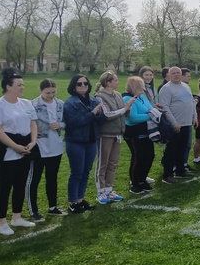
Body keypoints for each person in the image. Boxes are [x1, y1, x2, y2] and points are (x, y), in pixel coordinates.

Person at [0, 68, 38, 235]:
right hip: (8, 150)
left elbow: (32, 123)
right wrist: (15, 146)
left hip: (26, 149)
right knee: (4, 186)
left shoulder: (27, 104)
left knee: (20, 184)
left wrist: (33, 142)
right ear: (9, 86)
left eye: (23, 84)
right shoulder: (0, 105)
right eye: (19, 85)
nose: (22, 87)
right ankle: (1, 221)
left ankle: (17, 217)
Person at [63, 74, 105, 213]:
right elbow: (73, 123)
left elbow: (102, 119)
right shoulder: (70, 103)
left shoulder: (93, 100)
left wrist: (98, 114)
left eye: (85, 84)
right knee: (77, 172)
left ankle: (80, 199)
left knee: (86, 172)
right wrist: (93, 114)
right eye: (79, 84)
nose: (83, 86)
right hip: (76, 142)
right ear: (73, 87)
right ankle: (72, 202)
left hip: (91, 141)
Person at [27, 79, 66, 221]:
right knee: (34, 179)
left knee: (52, 177)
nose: (51, 95)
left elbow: (66, 122)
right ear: (41, 91)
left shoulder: (60, 104)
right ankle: (34, 211)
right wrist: (30, 132)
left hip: (55, 146)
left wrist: (60, 125)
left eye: (53, 92)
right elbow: (25, 121)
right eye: (47, 93)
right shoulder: (32, 105)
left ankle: (52, 206)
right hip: (38, 147)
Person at [94, 71, 135, 204]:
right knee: (103, 163)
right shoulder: (99, 97)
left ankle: (109, 189)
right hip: (105, 134)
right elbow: (107, 115)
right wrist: (124, 109)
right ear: (108, 83)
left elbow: (123, 112)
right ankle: (100, 192)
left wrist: (128, 108)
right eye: (116, 80)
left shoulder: (117, 95)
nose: (118, 82)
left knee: (113, 163)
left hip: (117, 133)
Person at [157, 67, 197, 184]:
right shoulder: (166, 89)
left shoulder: (186, 86)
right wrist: (173, 122)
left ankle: (180, 170)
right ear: (169, 75)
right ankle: (168, 174)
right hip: (175, 124)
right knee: (171, 150)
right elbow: (165, 107)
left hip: (186, 123)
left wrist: (194, 117)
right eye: (173, 73)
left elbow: (191, 103)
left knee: (182, 148)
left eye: (178, 73)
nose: (176, 75)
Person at [122, 77, 156, 194]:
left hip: (146, 132)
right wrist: (151, 115)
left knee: (149, 156)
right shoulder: (127, 98)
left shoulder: (142, 96)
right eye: (141, 86)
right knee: (138, 157)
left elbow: (150, 108)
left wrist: (151, 113)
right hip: (133, 134)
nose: (143, 88)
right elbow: (133, 118)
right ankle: (135, 183)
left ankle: (142, 179)